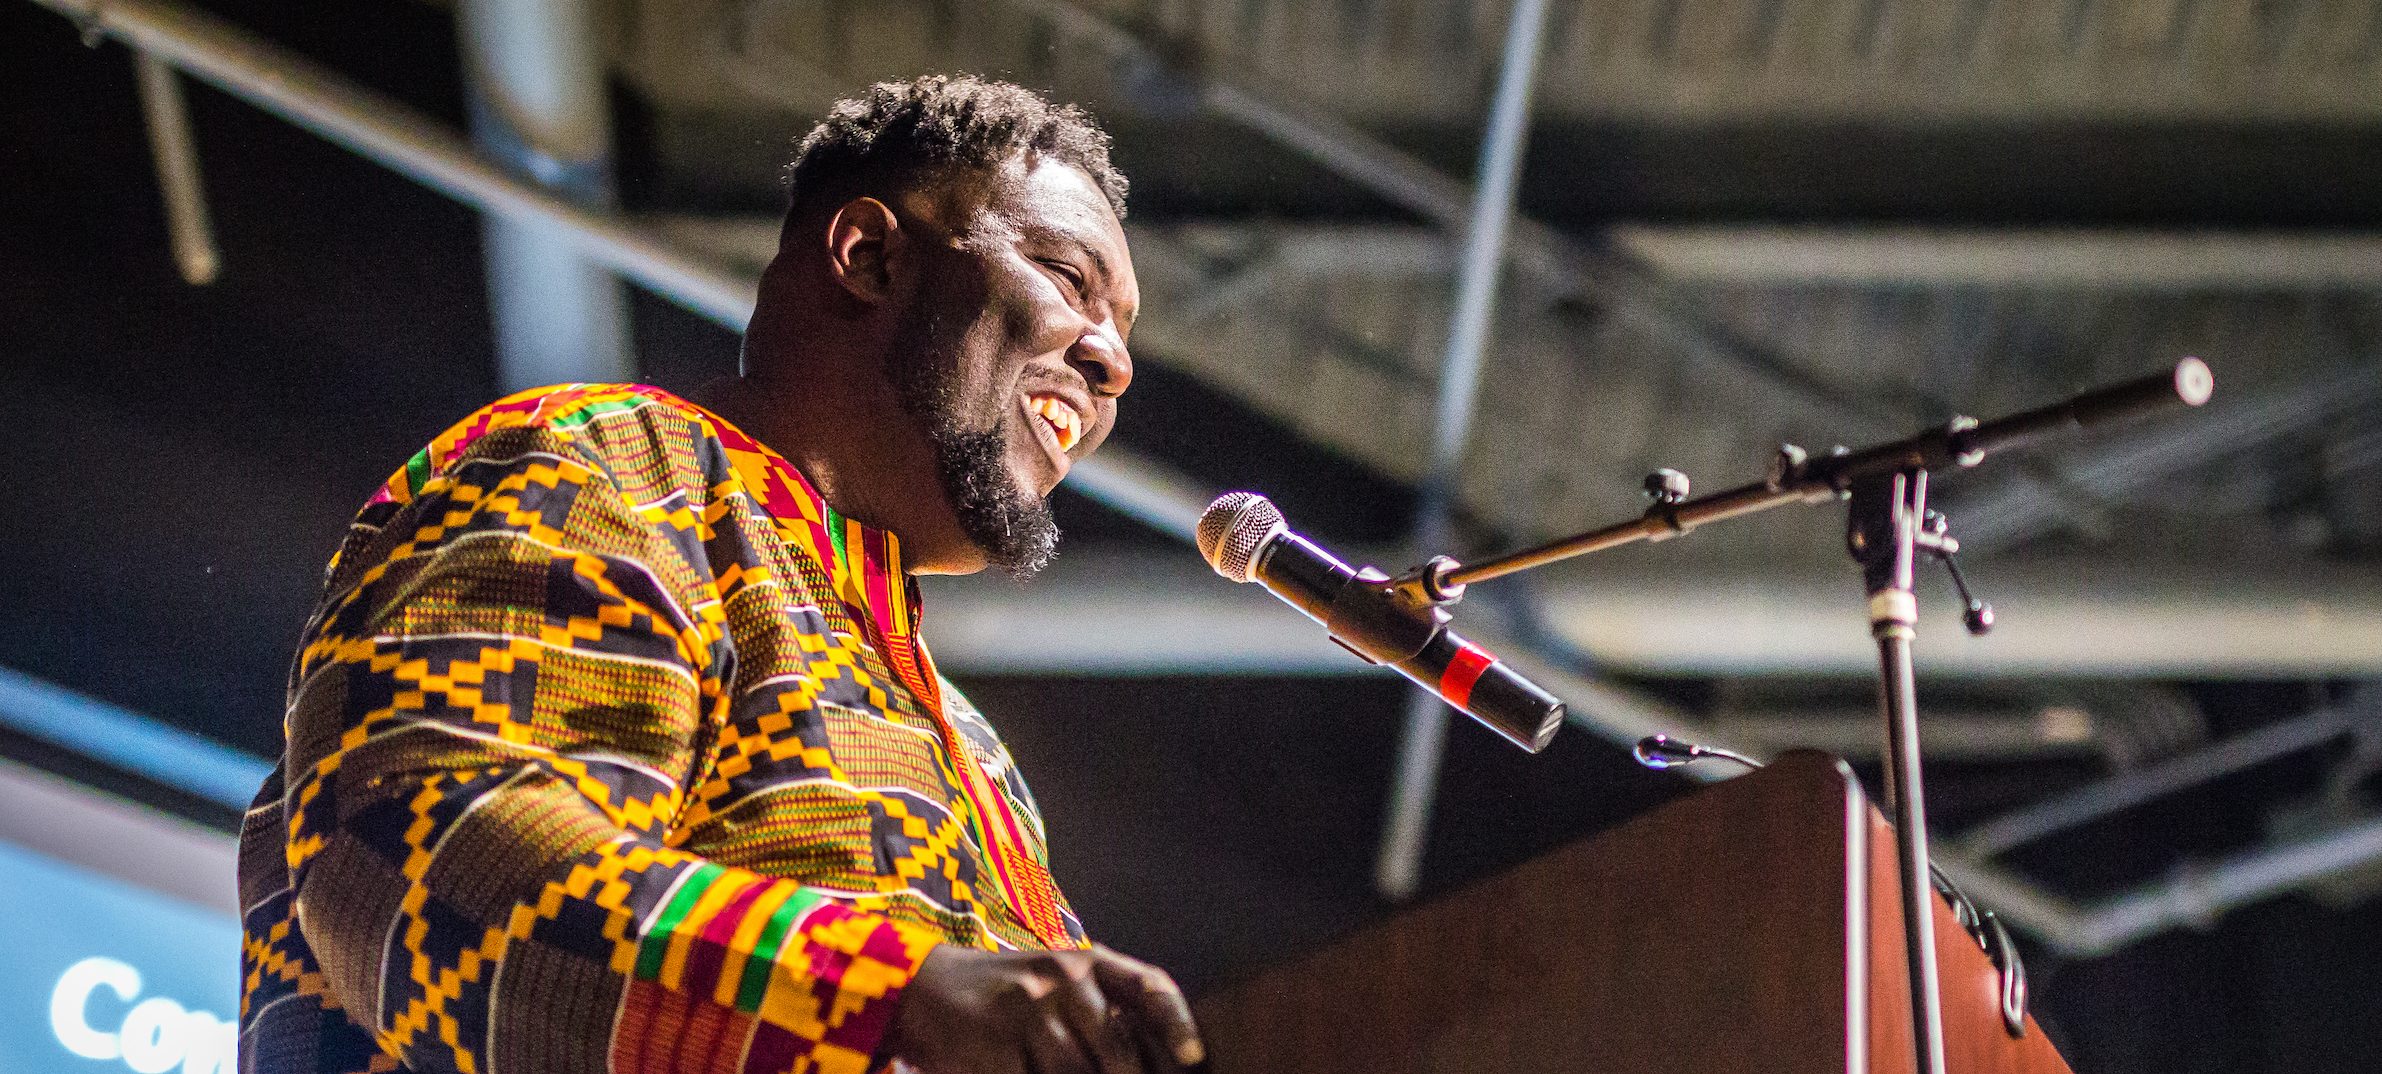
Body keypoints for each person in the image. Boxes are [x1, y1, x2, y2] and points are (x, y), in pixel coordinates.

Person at [236, 75, 1203, 1074]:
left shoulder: (976, 755)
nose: (1114, 365)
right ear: (867, 256)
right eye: (1066, 277)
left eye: (1125, 330)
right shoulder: (611, 469)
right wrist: (888, 993)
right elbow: (420, 841)